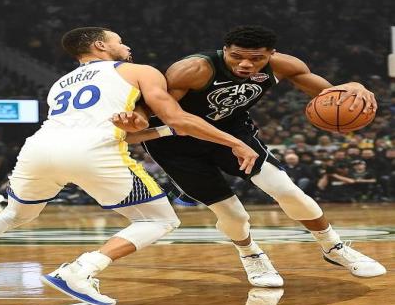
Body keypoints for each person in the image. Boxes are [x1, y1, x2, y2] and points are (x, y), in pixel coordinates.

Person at [0, 26, 258, 305]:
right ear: (101, 46)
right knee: (159, 220)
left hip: (39, 148)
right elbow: (176, 117)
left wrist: (150, 128)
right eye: (119, 41)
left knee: (13, 215)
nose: (126, 46)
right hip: (92, 150)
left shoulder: (60, 83)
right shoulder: (139, 70)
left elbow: (128, 130)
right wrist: (234, 141)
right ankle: (81, 269)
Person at [115, 25, 385, 286]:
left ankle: (333, 247)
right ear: (225, 50)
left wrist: (354, 86)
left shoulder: (283, 65)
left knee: (288, 191)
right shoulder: (194, 69)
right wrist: (137, 120)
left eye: (256, 59)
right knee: (233, 215)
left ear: (271, 55)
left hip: (231, 129)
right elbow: (158, 110)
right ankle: (251, 255)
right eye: (236, 56)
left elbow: (330, 95)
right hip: (175, 141)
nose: (245, 64)